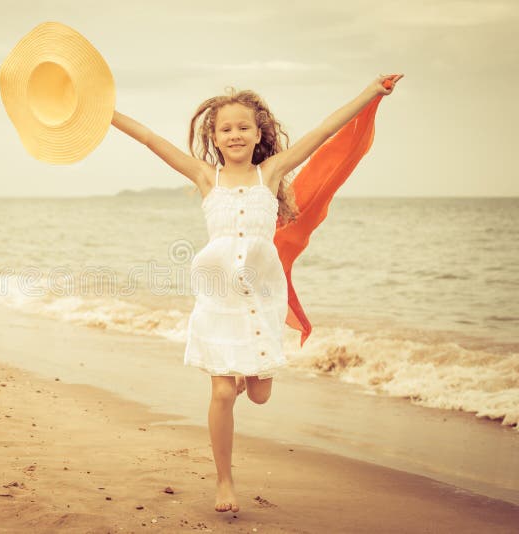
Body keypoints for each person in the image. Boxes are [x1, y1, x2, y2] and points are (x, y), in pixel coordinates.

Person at [110, 74, 403, 513]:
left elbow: (324, 132)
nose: (234, 135)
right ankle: (224, 481)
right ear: (213, 135)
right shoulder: (206, 176)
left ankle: (249, 373)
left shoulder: (272, 172)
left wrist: (370, 93)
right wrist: (106, 114)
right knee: (223, 393)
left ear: (259, 132)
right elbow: (151, 138)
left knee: (260, 394)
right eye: (225, 128)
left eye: (243, 127)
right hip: (218, 295)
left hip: (263, 295)